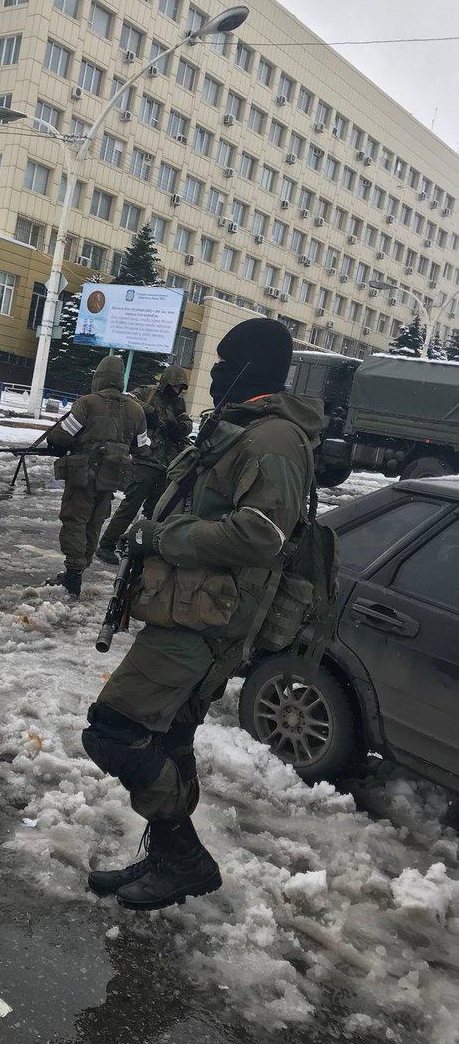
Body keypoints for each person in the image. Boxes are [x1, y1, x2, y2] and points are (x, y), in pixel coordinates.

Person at [83, 318, 322, 911]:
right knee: (169, 736)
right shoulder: (239, 429)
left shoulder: (273, 440)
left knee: (114, 730)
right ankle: (169, 856)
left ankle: (183, 857)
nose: (213, 371)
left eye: (224, 360)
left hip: (212, 621)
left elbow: (262, 534)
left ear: (250, 366)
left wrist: (165, 537)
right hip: (191, 610)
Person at [44, 354, 150, 597]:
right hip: (112, 477)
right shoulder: (136, 410)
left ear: (99, 378)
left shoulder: (87, 403)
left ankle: (72, 575)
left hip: (84, 476)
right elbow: (143, 447)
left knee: (75, 519)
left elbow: (61, 436)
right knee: (95, 521)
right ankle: (80, 569)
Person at [96, 365, 191, 564]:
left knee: (154, 512)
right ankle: (106, 545)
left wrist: (180, 427)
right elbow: (128, 399)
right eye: (175, 386)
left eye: (180, 387)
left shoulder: (178, 404)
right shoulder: (147, 392)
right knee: (130, 506)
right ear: (166, 382)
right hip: (146, 460)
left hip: (167, 465)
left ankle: (133, 544)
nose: (177, 390)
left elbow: (186, 423)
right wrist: (153, 414)